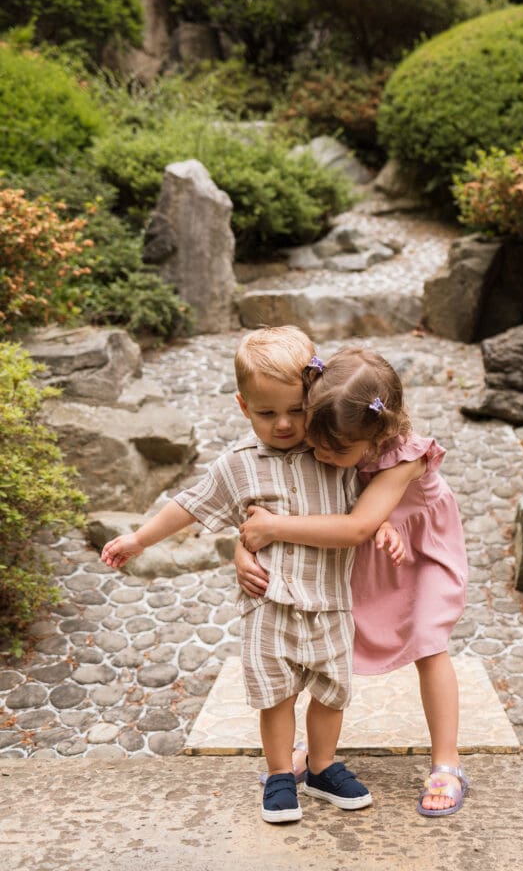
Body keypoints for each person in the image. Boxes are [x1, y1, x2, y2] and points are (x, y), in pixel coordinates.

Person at [101, 327, 404, 824]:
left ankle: (323, 766)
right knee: (276, 693)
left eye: (296, 410)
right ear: (244, 406)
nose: (284, 424)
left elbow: (364, 504)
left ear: (316, 398)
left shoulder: (333, 450)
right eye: (267, 413)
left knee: (331, 690)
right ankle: (281, 774)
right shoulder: (237, 465)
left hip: (329, 602)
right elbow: (189, 505)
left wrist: (384, 525)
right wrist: (140, 538)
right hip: (268, 603)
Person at [237, 346, 469, 818]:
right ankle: (307, 755)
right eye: (316, 442)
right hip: (367, 552)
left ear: (378, 433)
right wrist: (242, 547)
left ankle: (447, 760)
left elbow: (357, 525)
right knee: (318, 644)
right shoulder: (333, 428)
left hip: (418, 551)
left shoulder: (405, 456)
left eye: (334, 451)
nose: (320, 454)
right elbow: (264, 501)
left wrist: (274, 529)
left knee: (429, 641)